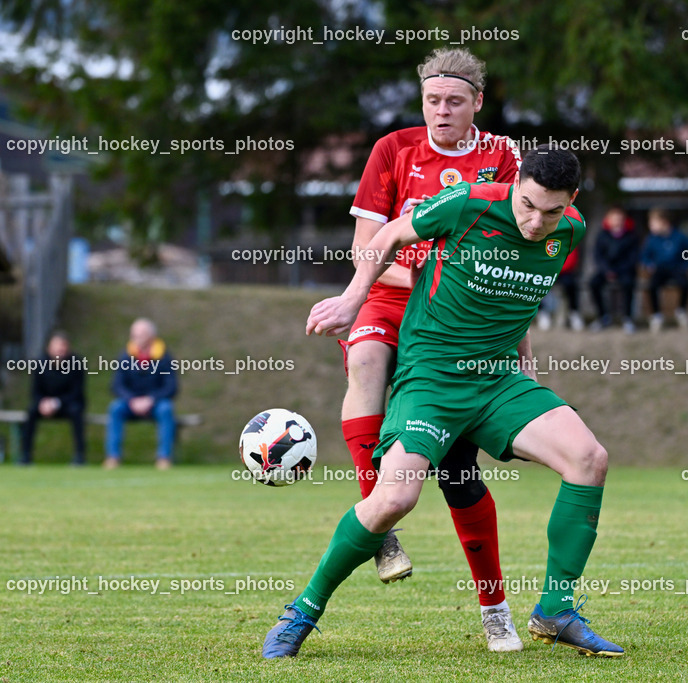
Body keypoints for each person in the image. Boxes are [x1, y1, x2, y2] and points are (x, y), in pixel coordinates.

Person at [262, 146, 623, 659]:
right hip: (431, 377)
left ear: (572, 201)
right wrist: (352, 298)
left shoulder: (571, 230)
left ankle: (555, 611)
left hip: (498, 379)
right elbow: (388, 235)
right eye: (527, 205)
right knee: (393, 500)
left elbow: (517, 300)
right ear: (516, 185)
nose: (535, 222)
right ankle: (302, 610)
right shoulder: (468, 202)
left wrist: (527, 363)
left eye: (551, 211)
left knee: (589, 459)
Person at [340, 47, 523, 651]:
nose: (441, 111)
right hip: (393, 294)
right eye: (432, 100)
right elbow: (367, 247)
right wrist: (413, 277)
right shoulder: (393, 149)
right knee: (365, 359)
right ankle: (379, 523)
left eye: (454, 101)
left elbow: (518, 244)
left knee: (458, 471)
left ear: (477, 103)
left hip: (458, 318)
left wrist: (517, 336)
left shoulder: (502, 157)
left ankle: (495, 609)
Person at [104, 318, 178, 470]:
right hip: (130, 403)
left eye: (141, 334)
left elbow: (171, 387)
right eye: (134, 334)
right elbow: (117, 385)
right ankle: (113, 457)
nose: (136, 338)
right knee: (115, 408)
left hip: (155, 403)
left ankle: (164, 457)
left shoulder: (164, 356)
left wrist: (151, 399)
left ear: (152, 336)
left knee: (166, 409)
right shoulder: (126, 356)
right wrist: (131, 400)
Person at [19, 331, 86, 466]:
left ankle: (80, 455)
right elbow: (35, 391)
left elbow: (77, 392)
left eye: (63, 346)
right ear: (49, 348)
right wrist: (43, 403)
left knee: (77, 412)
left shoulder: (76, 363)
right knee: (31, 411)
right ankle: (25, 455)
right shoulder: (40, 363)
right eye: (57, 346)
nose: (60, 350)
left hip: (68, 404)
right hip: (45, 405)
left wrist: (56, 403)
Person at [640, 209, 688, 332]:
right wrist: (649, 264)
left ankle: (681, 311)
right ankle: (656, 315)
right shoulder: (651, 239)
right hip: (660, 269)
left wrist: (687, 265)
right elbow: (644, 256)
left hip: (677, 268)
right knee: (652, 285)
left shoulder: (679, 237)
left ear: (664, 222)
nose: (650, 226)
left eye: (653, 223)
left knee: (685, 283)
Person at [589, 206, 639, 334]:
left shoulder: (631, 236)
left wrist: (618, 271)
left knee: (629, 284)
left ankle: (627, 318)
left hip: (624, 271)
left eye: (619, 218)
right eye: (614, 218)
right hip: (606, 271)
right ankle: (603, 316)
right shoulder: (602, 236)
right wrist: (607, 271)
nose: (617, 221)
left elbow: (633, 258)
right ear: (608, 220)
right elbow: (598, 256)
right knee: (593, 283)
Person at [537, 245, 584, 331]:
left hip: (565, 272)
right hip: (547, 271)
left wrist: (559, 268)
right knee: (538, 284)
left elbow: (572, 258)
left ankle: (573, 312)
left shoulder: (570, 240)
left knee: (570, 285)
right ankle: (542, 312)